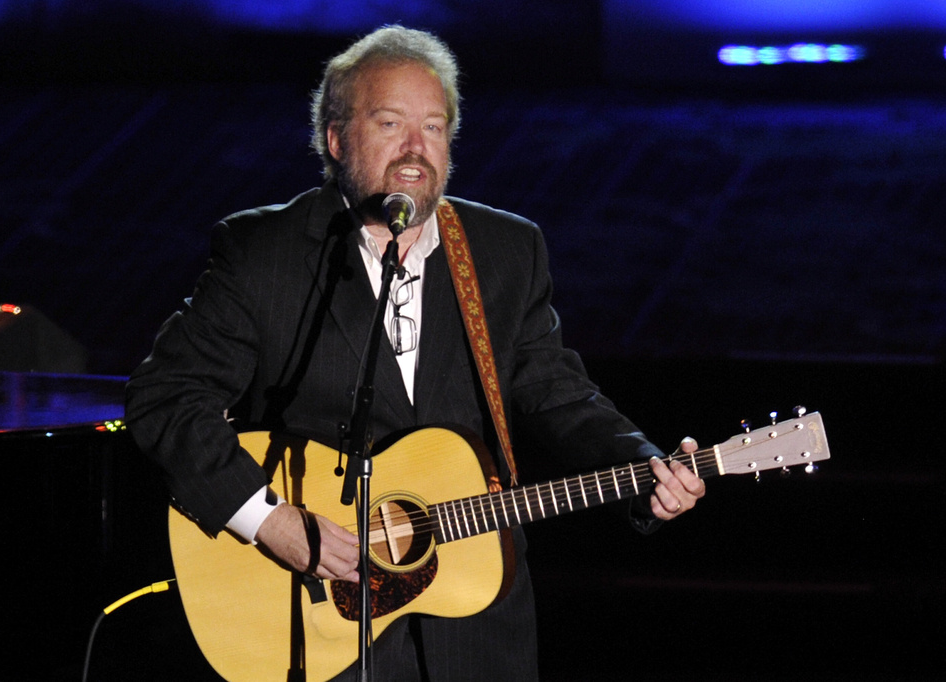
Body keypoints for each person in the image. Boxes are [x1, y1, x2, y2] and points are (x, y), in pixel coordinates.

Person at [126, 25, 705, 681]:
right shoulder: (267, 251)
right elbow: (165, 398)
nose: (415, 149)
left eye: (433, 128)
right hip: (312, 626)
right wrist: (269, 521)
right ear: (337, 138)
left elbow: (559, 393)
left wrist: (643, 465)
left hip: (477, 630)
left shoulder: (503, 252)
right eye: (391, 123)